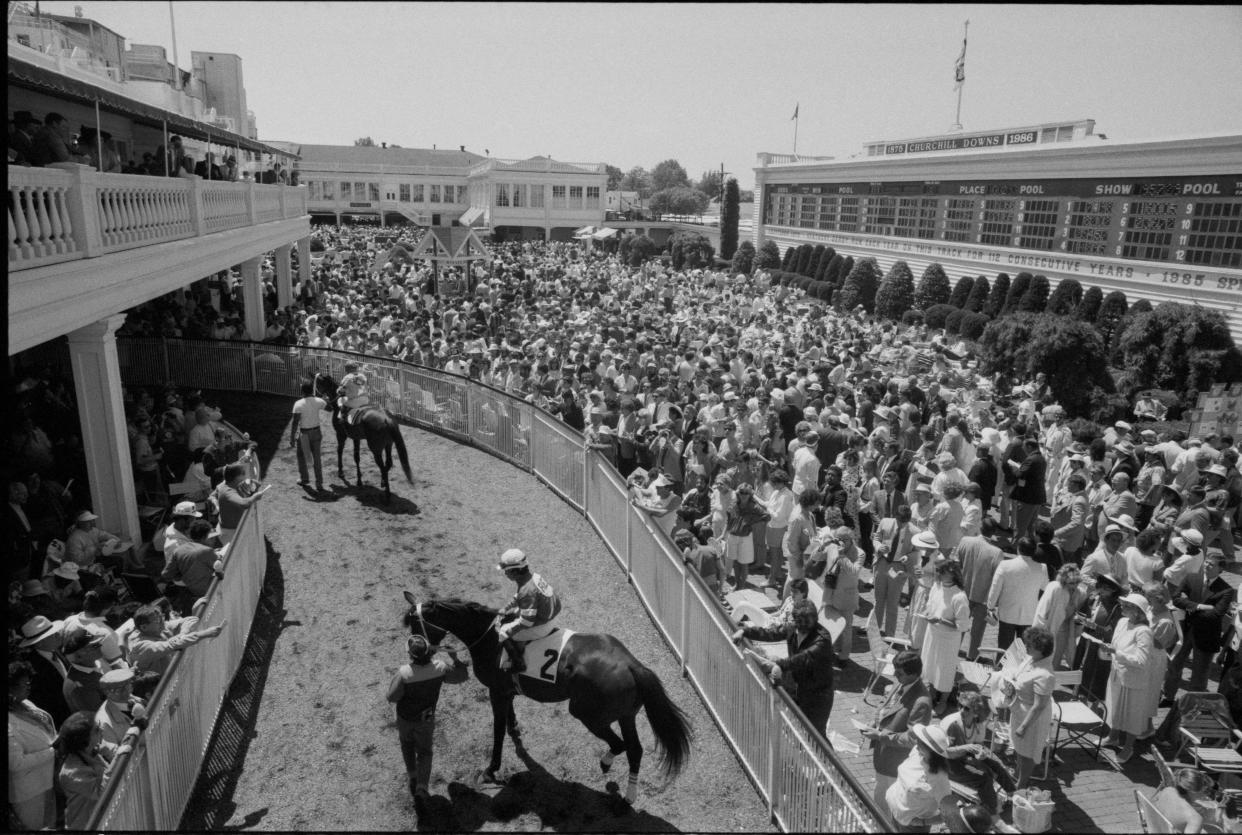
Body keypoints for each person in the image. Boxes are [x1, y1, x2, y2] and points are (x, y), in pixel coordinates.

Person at [387, 634, 470, 807]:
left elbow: (392, 697)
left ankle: (412, 775)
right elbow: (461, 677)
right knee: (425, 752)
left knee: (406, 744)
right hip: (426, 720)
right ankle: (422, 788)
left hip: (405, 719)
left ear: (410, 654)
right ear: (428, 651)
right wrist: (455, 659)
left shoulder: (404, 673)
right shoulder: (440, 667)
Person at [732, 598, 836, 737]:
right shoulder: (793, 628)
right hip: (800, 688)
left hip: (819, 696)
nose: (804, 627)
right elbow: (772, 633)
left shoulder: (822, 639)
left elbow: (803, 658)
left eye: (808, 623)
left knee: (816, 735)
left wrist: (780, 666)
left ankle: (824, 759)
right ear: (795, 620)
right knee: (798, 730)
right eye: (800, 623)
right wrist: (745, 631)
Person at [861, 650, 934, 810]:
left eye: (899, 673)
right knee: (880, 795)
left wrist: (880, 735)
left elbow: (912, 739)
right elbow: (885, 706)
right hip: (883, 758)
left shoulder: (921, 702)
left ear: (913, 674)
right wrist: (874, 722)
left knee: (889, 803)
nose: (895, 675)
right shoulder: (901, 683)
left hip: (896, 763)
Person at [56, 709, 138, 830]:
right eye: (96, 729)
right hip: (86, 825)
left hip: (104, 816)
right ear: (84, 740)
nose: (101, 730)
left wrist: (128, 738)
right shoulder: (72, 772)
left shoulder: (92, 748)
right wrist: (117, 757)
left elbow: (116, 751)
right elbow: (102, 791)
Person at [998, 626, 1055, 789]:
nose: (1027, 646)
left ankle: (1021, 784)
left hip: (1031, 720)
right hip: (1019, 711)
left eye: (1030, 644)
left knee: (1027, 753)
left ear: (1041, 649)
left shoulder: (1045, 675)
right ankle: (1017, 773)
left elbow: (1038, 706)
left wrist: (1024, 727)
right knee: (1019, 748)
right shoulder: (1031, 659)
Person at [940, 692, 1014, 815]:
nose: (961, 710)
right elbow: (947, 753)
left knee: (996, 764)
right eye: (960, 705)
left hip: (963, 757)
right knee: (983, 778)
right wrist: (967, 749)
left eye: (966, 708)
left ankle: (1013, 795)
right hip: (947, 762)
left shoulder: (978, 724)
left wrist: (981, 754)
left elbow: (979, 746)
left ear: (976, 712)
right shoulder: (953, 724)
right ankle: (992, 811)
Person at [1101, 592, 1154, 763]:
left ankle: (1128, 748)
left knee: (1132, 715)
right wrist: (1110, 650)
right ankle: (1113, 737)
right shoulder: (1122, 622)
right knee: (1114, 707)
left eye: (1127, 605)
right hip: (1117, 673)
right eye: (1123, 604)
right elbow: (1116, 645)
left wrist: (1117, 653)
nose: (1122, 607)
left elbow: (1141, 661)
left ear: (1138, 611)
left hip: (1134, 680)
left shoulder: (1144, 632)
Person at [495, 549, 561, 676]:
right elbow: (519, 596)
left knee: (502, 632)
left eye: (507, 571)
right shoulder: (533, 577)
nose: (505, 574)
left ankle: (518, 663)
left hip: (543, 626)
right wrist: (506, 608)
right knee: (513, 615)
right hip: (550, 616)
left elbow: (526, 622)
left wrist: (506, 631)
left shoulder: (526, 590)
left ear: (515, 571)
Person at [8, 660, 58, 830]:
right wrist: (53, 751)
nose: (29, 685)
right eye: (24, 684)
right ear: (11, 689)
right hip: (29, 792)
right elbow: (16, 763)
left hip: (48, 780)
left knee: (50, 825)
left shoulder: (26, 704)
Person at [919, 560, 970, 715]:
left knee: (945, 669)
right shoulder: (937, 586)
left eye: (942, 572)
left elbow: (963, 625)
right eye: (938, 571)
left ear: (953, 574)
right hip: (932, 633)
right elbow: (931, 605)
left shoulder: (959, 597)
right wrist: (927, 613)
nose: (939, 574)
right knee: (931, 664)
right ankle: (933, 692)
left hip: (948, 639)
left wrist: (941, 620)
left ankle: (943, 701)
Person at [884, 723, 954, 833]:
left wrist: (923, 823)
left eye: (920, 741)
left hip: (911, 828)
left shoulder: (939, 778)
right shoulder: (917, 752)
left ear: (929, 749)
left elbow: (950, 813)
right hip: (894, 813)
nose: (916, 742)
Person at [954, 518, 1004, 661]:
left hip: (963, 591)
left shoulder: (965, 541)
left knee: (960, 623)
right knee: (977, 630)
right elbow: (997, 577)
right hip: (983, 596)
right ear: (994, 532)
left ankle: (954, 647)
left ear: (980, 527)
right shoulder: (997, 552)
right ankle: (972, 655)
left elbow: (957, 564)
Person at [127, 603, 226, 675]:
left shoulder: (160, 628)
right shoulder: (141, 645)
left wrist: (182, 634)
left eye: (161, 617)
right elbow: (172, 645)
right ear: (144, 627)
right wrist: (204, 634)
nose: (163, 621)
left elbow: (190, 620)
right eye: (157, 620)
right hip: (158, 692)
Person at [986, 538, 1046, 651]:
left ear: (1018, 549)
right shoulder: (1042, 568)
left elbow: (995, 588)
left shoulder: (1005, 565)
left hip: (1007, 613)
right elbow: (1045, 588)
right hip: (1029, 615)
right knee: (1022, 651)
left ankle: (1001, 668)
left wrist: (990, 606)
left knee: (1003, 648)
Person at [1032, 563, 1086, 670]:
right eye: (1071, 583)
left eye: (1076, 582)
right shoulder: (1055, 588)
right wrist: (1038, 633)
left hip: (1064, 633)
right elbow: (1041, 611)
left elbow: (1077, 614)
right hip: (1048, 630)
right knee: (1040, 661)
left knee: (1055, 663)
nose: (1074, 585)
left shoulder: (1079, 593)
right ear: (1063, 580)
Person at [723, 481, 771, 590]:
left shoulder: (753, 506)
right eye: (741, 492)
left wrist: (751, 521)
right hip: (732, 536)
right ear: (738, 493)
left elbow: (767, 516)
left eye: (746, 493)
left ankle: (742, 585)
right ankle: (737, 584)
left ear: (750, 494)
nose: (744, 495)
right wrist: (724, 534)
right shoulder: (733, 504)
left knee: (744, 563)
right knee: (735, 562)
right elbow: (728, 519)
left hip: (745, 537)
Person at [211, 463, 271, 545]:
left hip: (230, 529)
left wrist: (250, 482)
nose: (245, 475)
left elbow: (258, 484)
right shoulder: (228, 492)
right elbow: (244, 504)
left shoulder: (225, 484)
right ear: (237, 477)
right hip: (231, 534)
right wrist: (255, 497)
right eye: (243, 473)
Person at [289, 381, 327, 490]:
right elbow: (329, 407)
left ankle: (305, 479)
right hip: (316, 432)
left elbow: (295, 422)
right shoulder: (319, 401)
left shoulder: (298, 404)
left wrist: (292, 437)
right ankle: (319, 483)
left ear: (302, 391)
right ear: (312, 390)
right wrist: (325, 399)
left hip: (304, 434)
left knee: (302, 456)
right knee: (317, 458)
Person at [1152, 769, 1214, 835]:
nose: (1207, 796)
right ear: (1192, 791)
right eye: (1206, 790)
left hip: (1156, 828)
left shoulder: (1167, 790)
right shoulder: (1195, 819)